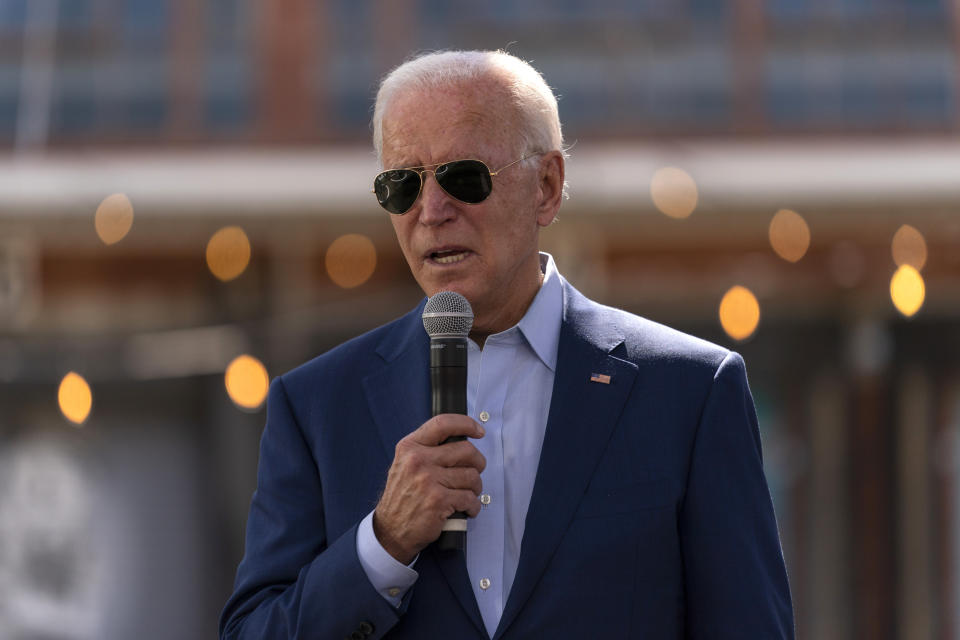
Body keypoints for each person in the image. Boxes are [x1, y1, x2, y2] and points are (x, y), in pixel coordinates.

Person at [220, 50, 794, 640]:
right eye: (402, 185)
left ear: (546, 187)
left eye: (463, 177)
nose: (432, 212)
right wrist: (384, 542)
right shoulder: (315, 405)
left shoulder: (691, 389)